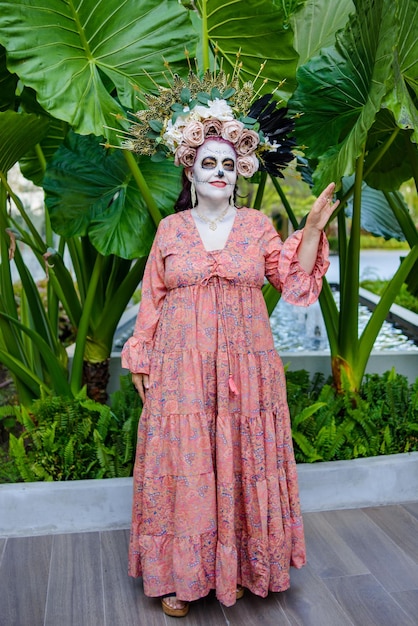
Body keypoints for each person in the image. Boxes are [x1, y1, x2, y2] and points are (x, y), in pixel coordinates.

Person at [120, 69, 338, 617]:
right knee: (187, 462)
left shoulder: (257, 226)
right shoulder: (170, 231)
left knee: (240, 460)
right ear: (190, 172)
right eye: (206, 164)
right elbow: (153, 296)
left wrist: (310, 231)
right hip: (181, 368)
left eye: (226, 164)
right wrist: (142, 355)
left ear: (238, 172)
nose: (218, 172)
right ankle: (181, 575)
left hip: (247, 366)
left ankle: (235, 567)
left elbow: (292, 283)